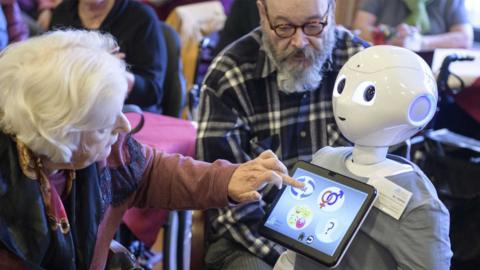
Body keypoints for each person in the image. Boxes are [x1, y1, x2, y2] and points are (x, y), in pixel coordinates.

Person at [0, 29, 303, 269]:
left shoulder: (106, 152)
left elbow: (151, 171)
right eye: (105, 125)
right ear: (61, 135)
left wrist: (226, 179)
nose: (124, 127)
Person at [195, 0, 368, 269]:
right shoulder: (230, 75)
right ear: (262, 14)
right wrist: (293, 263)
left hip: (349, 234)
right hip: (253, 239)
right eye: (284, 27)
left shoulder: (363, 67)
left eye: (313, 26)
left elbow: (388, 174)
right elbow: (227, 204)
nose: (299, 42)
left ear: (331, 12)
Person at [274, 45, 452, 269]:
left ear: (419, 108)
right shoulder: (324, 160)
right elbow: (294, 253)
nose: (346, 101)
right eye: (343, 87)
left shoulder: (418, 204)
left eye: (368, 93)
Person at [50, 0, 167, 113]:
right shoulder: (62, 12)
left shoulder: (141, 17)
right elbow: (49, 70)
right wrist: (90, 66)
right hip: (72, 111)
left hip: (127, 113)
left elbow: (153, 91)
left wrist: (112, 73)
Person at [352, 0, 473, 51]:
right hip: (384, 62)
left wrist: (422, 42)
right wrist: (390, 35)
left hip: (432, 73)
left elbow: (465, 38)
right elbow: (359, 28)